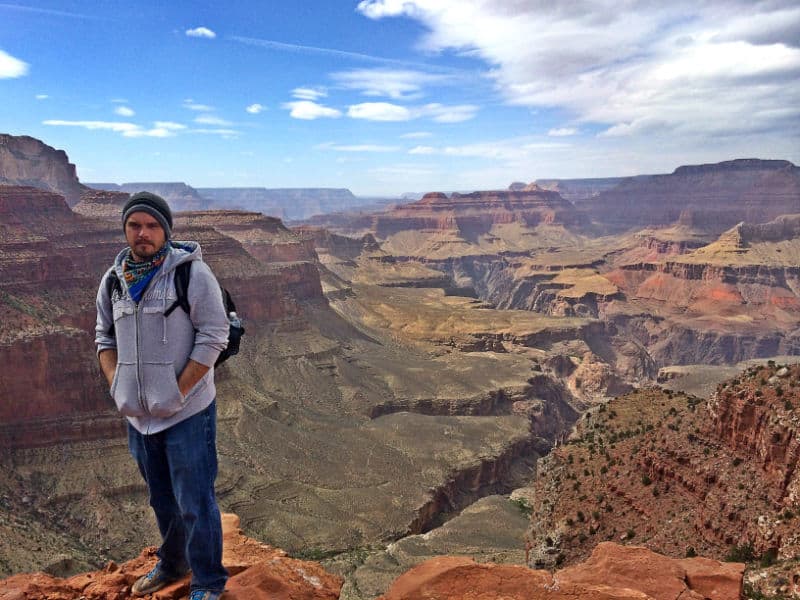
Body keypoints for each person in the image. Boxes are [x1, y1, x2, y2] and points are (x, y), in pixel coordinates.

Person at [95, 192, 230, 600]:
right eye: (135, 225)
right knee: (162, 500)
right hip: (139, 416)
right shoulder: (114, 279)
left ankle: (208, 582)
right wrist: (116, 382)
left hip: (187, 413)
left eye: (152, 226)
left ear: (166, 231)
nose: (143, 233)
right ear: (125, 230)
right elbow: (103, 335)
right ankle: (173, 564)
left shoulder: (192, 273)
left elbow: (214, 334)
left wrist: (179, 390)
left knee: (195, 499)